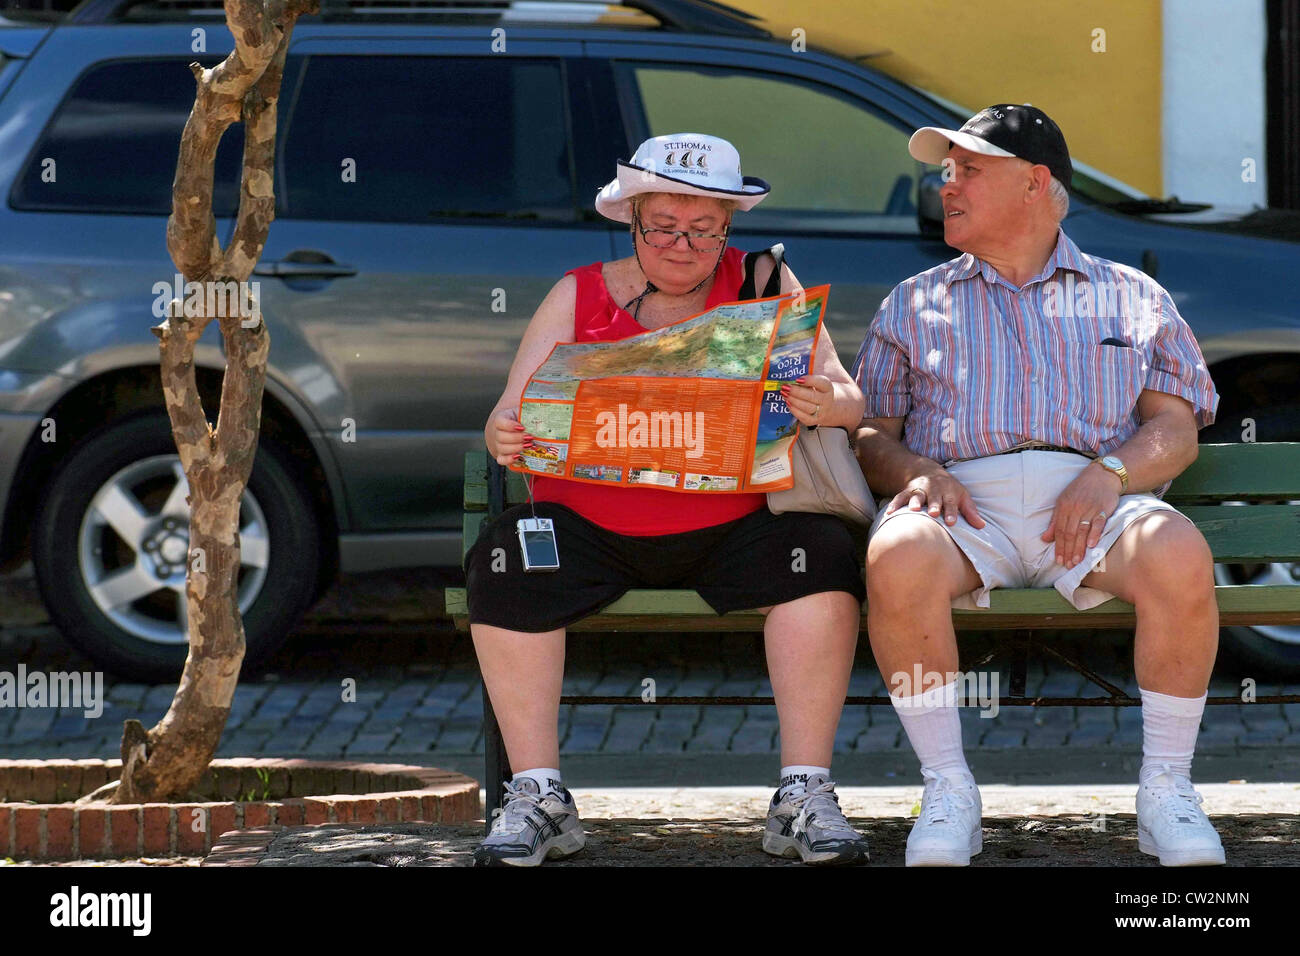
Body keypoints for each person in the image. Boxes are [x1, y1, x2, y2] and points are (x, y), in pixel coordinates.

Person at [466, 133, 869, 867]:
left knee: (826, 558)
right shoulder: (577, 293)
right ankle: (538, 795)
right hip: (589, 525)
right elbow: (510, 416)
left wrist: (824, 401)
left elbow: (850, 399)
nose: (684, 244)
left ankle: (804, 793)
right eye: (665, 227)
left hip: (734, 526)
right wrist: (504, 434)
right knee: (502, 558)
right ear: (633, 220)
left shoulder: (764, 280)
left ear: (728, 228)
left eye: (705, 228)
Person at [853, 105, 1224, 867]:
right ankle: (948, 789)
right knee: (897, 555)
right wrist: (915, 470)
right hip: (961, 506)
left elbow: (1176, 431)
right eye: (945, 172)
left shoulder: (1131, 294)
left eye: (968, 171)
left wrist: (1109, 473)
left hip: (1096, 508)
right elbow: (869, 437)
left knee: (1179, 549)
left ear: (1035, 182)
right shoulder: (915, 301)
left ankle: (1165, 792)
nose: (946, 187)